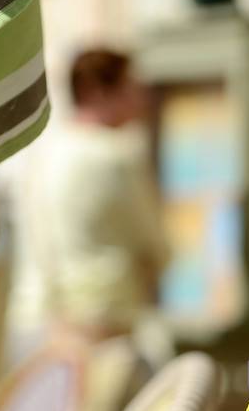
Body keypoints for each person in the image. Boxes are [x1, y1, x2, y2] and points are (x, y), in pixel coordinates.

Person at [17, 48, 170, 346]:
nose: (139, 98)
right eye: (129, 87)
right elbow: (154, 245)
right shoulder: (118, 155)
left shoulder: (48, 153)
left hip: (52, 322)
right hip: (110, 318)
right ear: (98, 91)